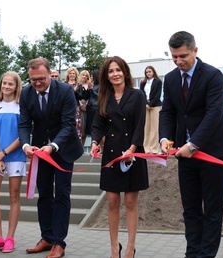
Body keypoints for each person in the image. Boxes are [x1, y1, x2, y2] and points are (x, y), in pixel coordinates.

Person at [159, 31, 223, 258]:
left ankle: (206, 255)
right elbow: (168, 112)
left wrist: (193, 145)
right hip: (184, 155)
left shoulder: (212, 76)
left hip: (212, 153)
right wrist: (164, 138)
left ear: (195, 50)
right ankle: (192, 253)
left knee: (212, 210)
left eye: (183, 56)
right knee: (190, 209)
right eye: (174, 57)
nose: (179, 61)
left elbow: (213, 114)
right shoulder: (170, 79)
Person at [19, 57, 83, 258]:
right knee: (44, 193)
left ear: (49, 74)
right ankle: (46, 237)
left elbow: (68, 125)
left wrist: (53, 146)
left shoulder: (64, 91)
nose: (37, 83)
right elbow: (23, 123)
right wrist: (26, 145)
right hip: (39, 151)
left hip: (63, 149)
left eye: (41, 79)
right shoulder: (26, 93)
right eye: (33, 80)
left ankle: (59, 242)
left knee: (62, 194)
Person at [90, 56, 148, 258]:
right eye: (110, 71)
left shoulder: (138, 95)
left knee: (131, 202)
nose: (115, 74)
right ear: (107, 76)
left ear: (125, 72)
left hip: (132, 153)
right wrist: (95, 142)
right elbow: (98, 125)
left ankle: (130, 248)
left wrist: (132, 148)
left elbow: (141, 124)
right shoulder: (104, 97)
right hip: (112, 155)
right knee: (112, 202)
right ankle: (115, 248)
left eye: (118, 70)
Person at [0, 71, 27, 254]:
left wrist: (3, 153)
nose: (7, 87)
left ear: (17, 86)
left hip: (15, 156)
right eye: (4, 83)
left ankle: (10, 238)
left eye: (11, 84)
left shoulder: (22, 107)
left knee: (14, 197)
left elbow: (22, 135)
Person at [139, 65, 162, 154]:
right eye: (147, 72)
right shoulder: (143, 82)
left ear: (153, 72)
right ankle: (146, 148)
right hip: (145, 106)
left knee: (154, 128)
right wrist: (146, 104)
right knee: (146, 127)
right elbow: (141, 94)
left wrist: (151, 104)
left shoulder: (158, 82)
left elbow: (158, 94)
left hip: (155, 106)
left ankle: (153, 148)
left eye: (150, 71)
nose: (148, 73)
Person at [85, 70, 100, 148]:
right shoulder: (92, 85)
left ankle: (101, 147)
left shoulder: (100, 86)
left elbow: (99, 96)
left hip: (96, 108)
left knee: (96, 128)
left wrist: (91, 89)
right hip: (90, 108)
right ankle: (93, 146)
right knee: (91, 129)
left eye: (92, 76)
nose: (91, 78)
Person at [78, 69, 92, 148]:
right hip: (79, 108)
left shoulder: (89, 86)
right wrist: (81, 105)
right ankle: (78, 147)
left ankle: (82, 146)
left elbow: (91, 97)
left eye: (86, 76)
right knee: (80, 128)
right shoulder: (78, 85)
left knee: (85, 129)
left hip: (87, 108)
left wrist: (86, 105)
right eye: (83, 75)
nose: (84, 77)